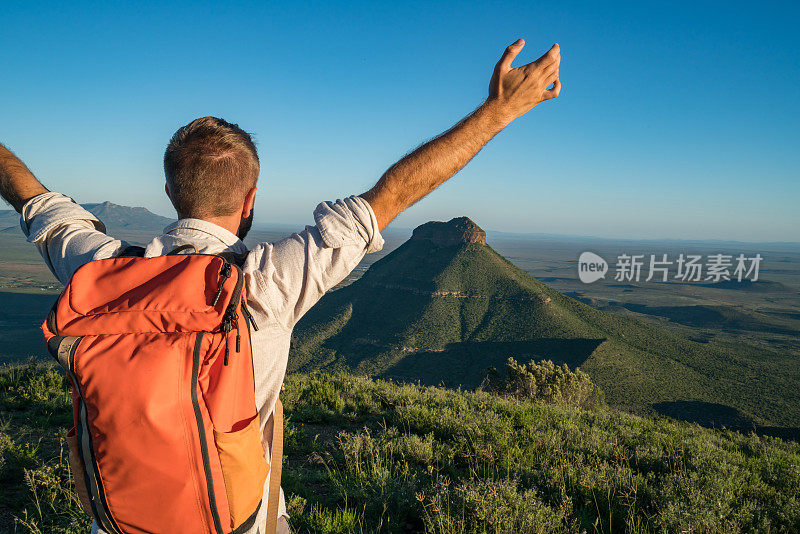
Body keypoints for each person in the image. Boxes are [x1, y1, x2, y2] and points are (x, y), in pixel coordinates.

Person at [0, 38, 560, 533]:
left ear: (171, 192)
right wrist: (499, 111)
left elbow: (35, 203)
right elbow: (393, 194)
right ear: (250, 200)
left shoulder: (100, 271)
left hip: (121, 519)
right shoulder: (268, 283)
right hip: (240, 519)